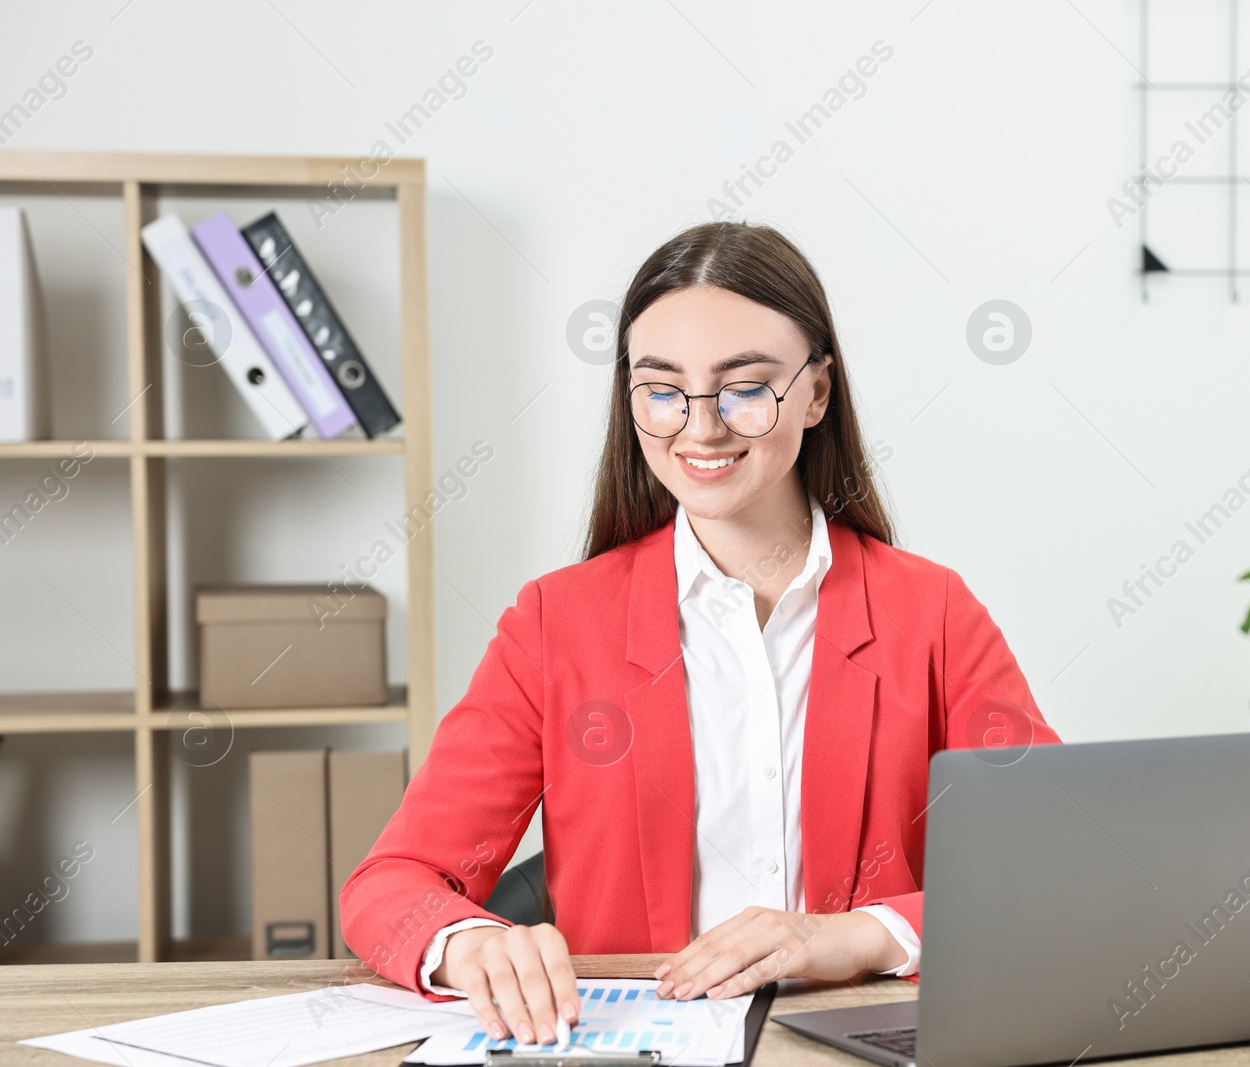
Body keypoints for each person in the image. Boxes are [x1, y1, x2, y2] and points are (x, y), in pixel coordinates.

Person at [339, 220, 1059, 1048]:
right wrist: (471, 944)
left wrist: (857, 934)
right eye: (663, 389)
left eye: (745, 387)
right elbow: (390, 880)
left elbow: (1051, 863)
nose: (702, 427)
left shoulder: (930, 612)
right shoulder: (556, 622)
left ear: (817, 393)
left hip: (857, 1046)